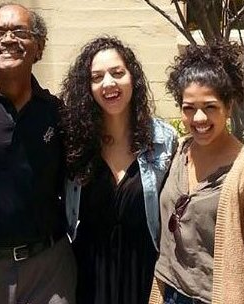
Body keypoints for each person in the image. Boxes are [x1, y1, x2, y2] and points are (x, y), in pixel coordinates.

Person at [0, 3, 76, 304]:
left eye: (20, 32)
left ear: (38, 48)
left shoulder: (54, 112)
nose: (8, 39)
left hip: (50, 268)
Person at [60, 36, 177, 304]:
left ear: (132, 78)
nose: (108, 83)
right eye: (97, 77)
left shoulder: (162, 141)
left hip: (145, 275)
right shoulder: (76, 145)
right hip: (87, 276)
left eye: (117, 73)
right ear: (86, 87)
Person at [149, 42, 244, 304]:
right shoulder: (177, 153)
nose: (199, 118)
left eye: (210, 106)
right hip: (170, 293)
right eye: (189, 107)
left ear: (229, 106)